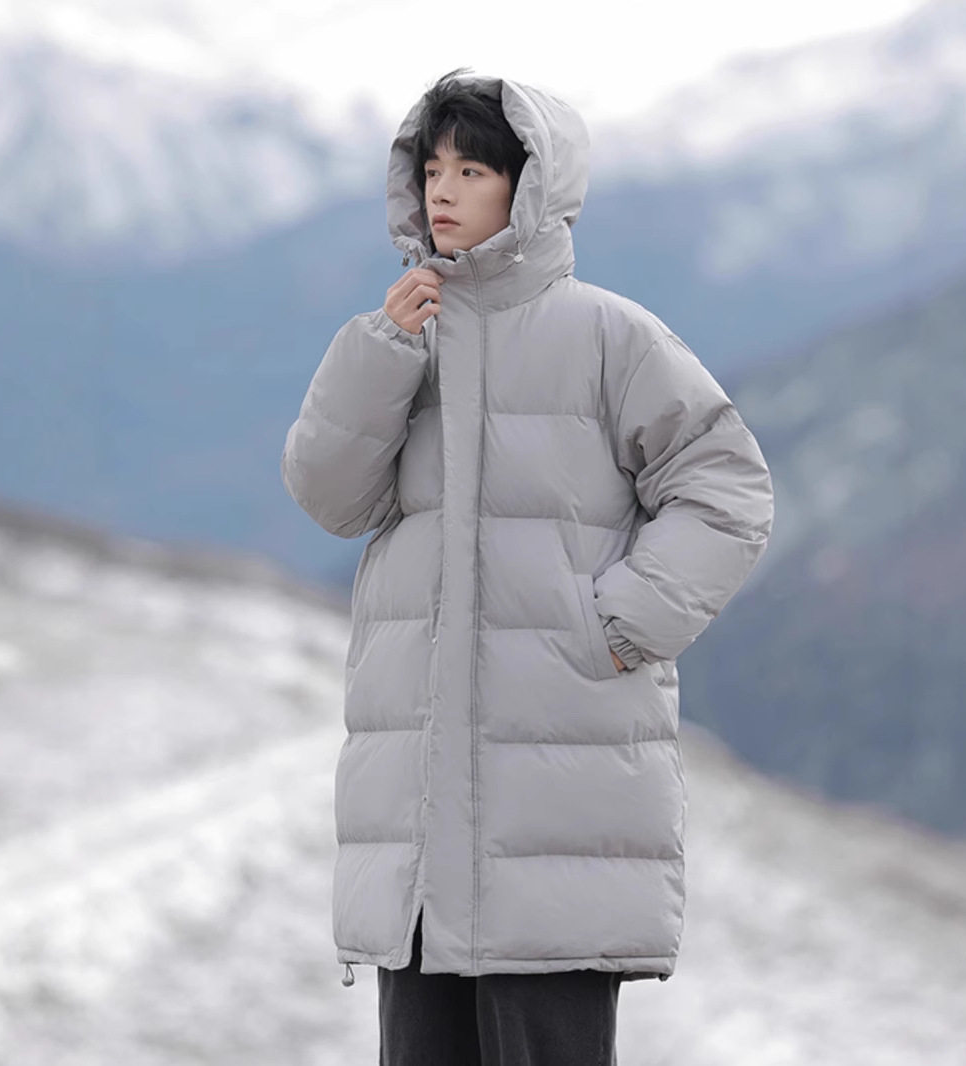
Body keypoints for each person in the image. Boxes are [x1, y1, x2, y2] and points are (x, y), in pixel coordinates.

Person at [280, 69, 774, 1066]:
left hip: (556, 817)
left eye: (473, 170)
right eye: (432, 170)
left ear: (532, 187)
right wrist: (381, 351)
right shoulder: (400, 341)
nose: (443, 191)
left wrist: (619, 625)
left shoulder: (609, 336)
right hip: (421, 843)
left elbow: (726, 487)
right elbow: (331, 499)